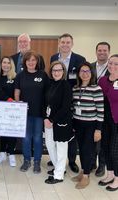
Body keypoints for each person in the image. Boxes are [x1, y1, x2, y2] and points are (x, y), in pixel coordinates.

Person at [50, 33, 86, 173]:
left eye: (68, 42)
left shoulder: (79, 59)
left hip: (73, 100)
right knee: (58, 132)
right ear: (59, 43)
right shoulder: (54, 57)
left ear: (72, 44)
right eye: (63, 42)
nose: (65, 44)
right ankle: (59, 160)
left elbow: (82, 78)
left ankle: (71, 160)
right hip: (57, 101)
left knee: (70, 133)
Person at [15, 51, 49, 174]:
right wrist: (19, 107)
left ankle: (37, 162)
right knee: (26, 138)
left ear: (37, 62)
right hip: (25, 113)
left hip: (39, 113)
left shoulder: (43, 75)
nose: (31, 62)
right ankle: (27, 160)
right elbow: (17, 92)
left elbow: (47, 94)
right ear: (25, 62)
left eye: (33, 60)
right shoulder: (20, 75)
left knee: (38, 138)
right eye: (28, 60)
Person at [71, 62, 104, 189]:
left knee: (88, 150)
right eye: (82, 71)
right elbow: (74, 107)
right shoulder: (75, 88)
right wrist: (74, 124)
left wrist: (98, 130)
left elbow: (101, 111)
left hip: (91, 125)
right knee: (81, 149)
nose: (85, 74)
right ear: (78, 74)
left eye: (87, 71)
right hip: (78, 123)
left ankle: (86, 176)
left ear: (91, 73)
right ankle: (83, 171)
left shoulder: (96, 89)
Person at [44, 61, 73, 184]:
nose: (56, 72)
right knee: (50, 145)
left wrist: (52, 120)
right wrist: (46, 118)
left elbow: (65, 106)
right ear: (51, 72)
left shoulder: (65, 85)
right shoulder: (50, 84)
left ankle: (58, 175)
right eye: (54, 70)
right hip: (48, 120)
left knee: (61, 148)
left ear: (63, 71)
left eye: (59, 70)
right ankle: (58, 167)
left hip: (61, 121)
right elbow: (45, 103)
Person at [98, 54, 118, 191]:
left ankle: (117, 178)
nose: (112, 66)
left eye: (116, 64)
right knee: (105, 148)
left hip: (117, 121)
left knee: (115, 150)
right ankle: (110, 174)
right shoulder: (103, 80)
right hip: (105, 121)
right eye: (110, 63)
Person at [91, 42, 111, 177]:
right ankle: (92, 162)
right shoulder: (90, 66)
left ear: (108, 52)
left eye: (104, 50)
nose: (102, 52)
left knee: (103, 137)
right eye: (99, 50)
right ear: (96, 52)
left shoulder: (113, 68)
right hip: (91, 107)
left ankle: (101, 165)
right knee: (91, 136)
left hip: (107, 107)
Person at [0, 56, 17, 167]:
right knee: (3, 131)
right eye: (4, 62)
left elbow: (18, 92)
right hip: (1, 109)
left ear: (11, 65)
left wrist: (15, 102)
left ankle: (11, 153)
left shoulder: (15, 77)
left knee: (12, 131)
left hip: (12, 109)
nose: (6, 64)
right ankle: (2, 152)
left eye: (8, 63)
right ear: (1, 64)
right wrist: (8, 99)